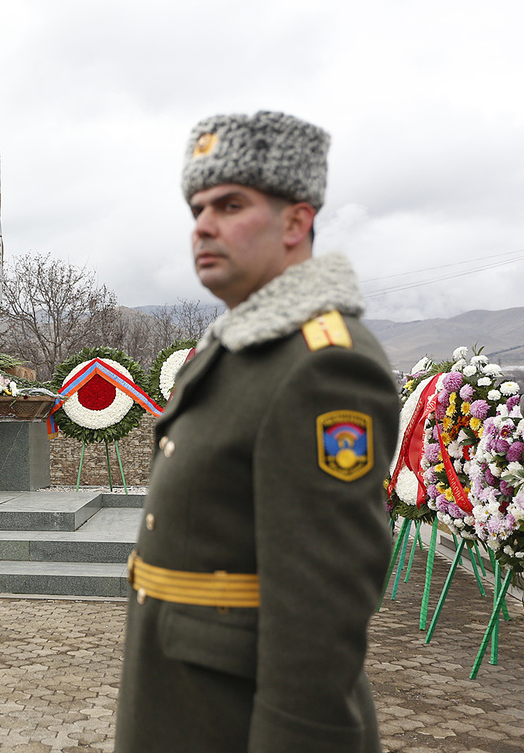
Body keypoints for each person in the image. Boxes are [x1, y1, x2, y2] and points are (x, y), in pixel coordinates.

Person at [116, 111, 400, 752]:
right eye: (197, 209)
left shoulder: (325, 364)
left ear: (296, 222)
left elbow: (323, 603)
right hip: (185, 700)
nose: (203, 225)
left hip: (236, 718)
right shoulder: (240, 348)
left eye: (230, 205)